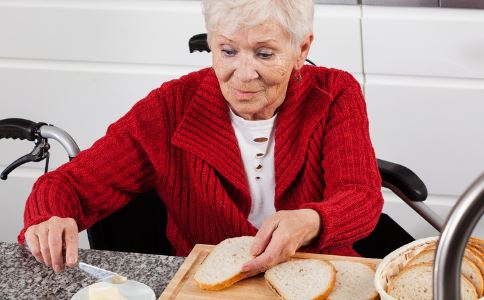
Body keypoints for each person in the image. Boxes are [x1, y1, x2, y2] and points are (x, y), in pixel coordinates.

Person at [19, 0, 383, 276]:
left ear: (301, 49)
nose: (243, 73)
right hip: (206, 283)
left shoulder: (335, 93)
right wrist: (49, 215)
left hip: (321, 275)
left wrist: (311, 220)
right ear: (212, 44)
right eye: (227, 51)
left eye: (264, 53)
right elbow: (72, 184)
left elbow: (361, 197)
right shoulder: (170, 107)